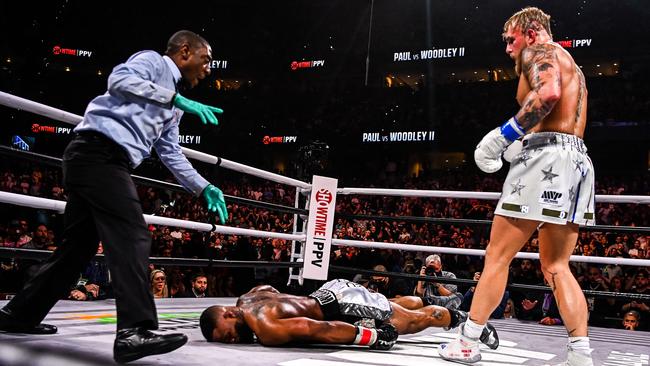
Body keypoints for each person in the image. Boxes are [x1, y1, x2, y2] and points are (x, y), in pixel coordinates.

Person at [0, 30, 228, 363]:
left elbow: (169, 151)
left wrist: (203, 186)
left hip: (101, 160)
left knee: (77, 248)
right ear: (184, 51)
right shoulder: (153, 61)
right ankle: (134, 330)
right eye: (205, 60)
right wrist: (172, 98)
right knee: (132, 234)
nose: (208, 70)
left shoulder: (174, 102)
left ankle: (19, 314)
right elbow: (119, 79)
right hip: (97, 153)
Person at [440, 7, 596, 365]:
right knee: (556, 265)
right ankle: (580, 355)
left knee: (497, 255)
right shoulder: (573, 63)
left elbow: (548, 95)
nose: (508, 47)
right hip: (577, 161)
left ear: (532, 30)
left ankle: (468, 342)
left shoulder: (539, 52)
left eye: (511, 38)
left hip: (546, 160)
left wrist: (503, 135)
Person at [199, 279, 499, 350]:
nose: (233, 340)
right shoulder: (249, 296)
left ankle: (470, 321)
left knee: (407, 323)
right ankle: (414, 300)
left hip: (342, 305)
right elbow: (276, 292)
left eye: (227, 334)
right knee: (395, 306)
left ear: (226, 313)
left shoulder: (264, 327)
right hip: (329, 292)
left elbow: (318, 328)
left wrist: (372, 336)